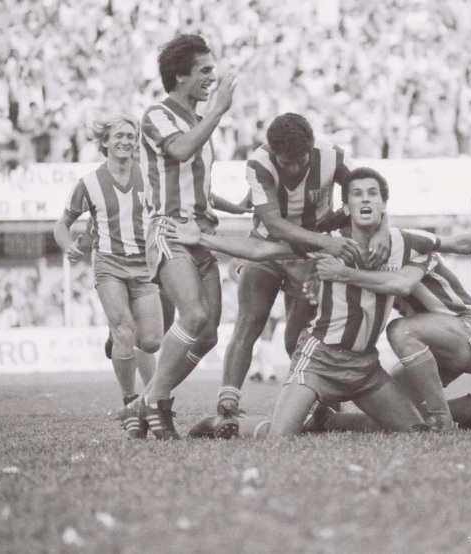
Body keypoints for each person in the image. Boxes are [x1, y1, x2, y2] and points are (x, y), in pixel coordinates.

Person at [161, 167, 432, 437]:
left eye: (372, 194)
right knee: (279, 437)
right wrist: (202, 238)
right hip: (319, 361)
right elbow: (261, 249)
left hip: (366, 366)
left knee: (415, 430)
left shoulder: (402, 243)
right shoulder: (327, 243)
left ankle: (329, 420)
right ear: (346, 206)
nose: (365, 199)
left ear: (383, 204)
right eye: (357, 194)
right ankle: (217, 424)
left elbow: (449, 244)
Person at [196, 113, 392, 439]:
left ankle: (325, 405)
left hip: (311, 256)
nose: (293, 169)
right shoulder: (258, 164)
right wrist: (326, 242)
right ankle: (227, 403)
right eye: (285, 163)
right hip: (268, 246)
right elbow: (274, 224)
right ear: (274, 153)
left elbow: (367, 188)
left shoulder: (333, 156)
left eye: (300, 162)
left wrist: (383, 226)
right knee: (250, 319)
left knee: (296, 340)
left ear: (311, 148)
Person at [302, 209, 471, 432]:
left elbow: (458, 245)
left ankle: (441, 420)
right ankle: (468, 408)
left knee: (400, 330)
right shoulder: (359, 270)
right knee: (392, 413)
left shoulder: (403, 243)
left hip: (467, 329)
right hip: (429, 349)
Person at [118, 34, 243, 441]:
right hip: (169, 228)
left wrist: (233, 207)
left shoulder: (195, 120)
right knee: (193, 316)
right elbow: (181, 151)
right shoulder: (157, 114)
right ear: (180, 75)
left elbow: (193, 181)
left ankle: (143, 402)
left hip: (202, 233)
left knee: (207, 335)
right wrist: (219, 109)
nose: (213, 78)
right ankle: (158, 401)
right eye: (204, 70)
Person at [53, 113, 163, 439]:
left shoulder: (150, 176)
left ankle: (118, 341)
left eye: (131, 136)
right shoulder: (88, 184)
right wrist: (68, 245)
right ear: (105, 142)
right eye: (119, 136)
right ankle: (131, 402)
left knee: (151, 341)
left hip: (144, 266)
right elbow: (62, 224)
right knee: (126, 332)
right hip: (109, 265)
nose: (126, 141)